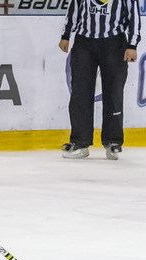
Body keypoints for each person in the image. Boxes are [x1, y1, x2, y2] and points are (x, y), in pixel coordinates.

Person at [59, 0, 141, 160]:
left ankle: (113, 141)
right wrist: (66, 35)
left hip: (115, 43)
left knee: (114, 92)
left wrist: (133, 44)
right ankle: (80, 142)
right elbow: (73, 8)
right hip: (84, 43)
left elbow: (134, 16)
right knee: (80, 93)